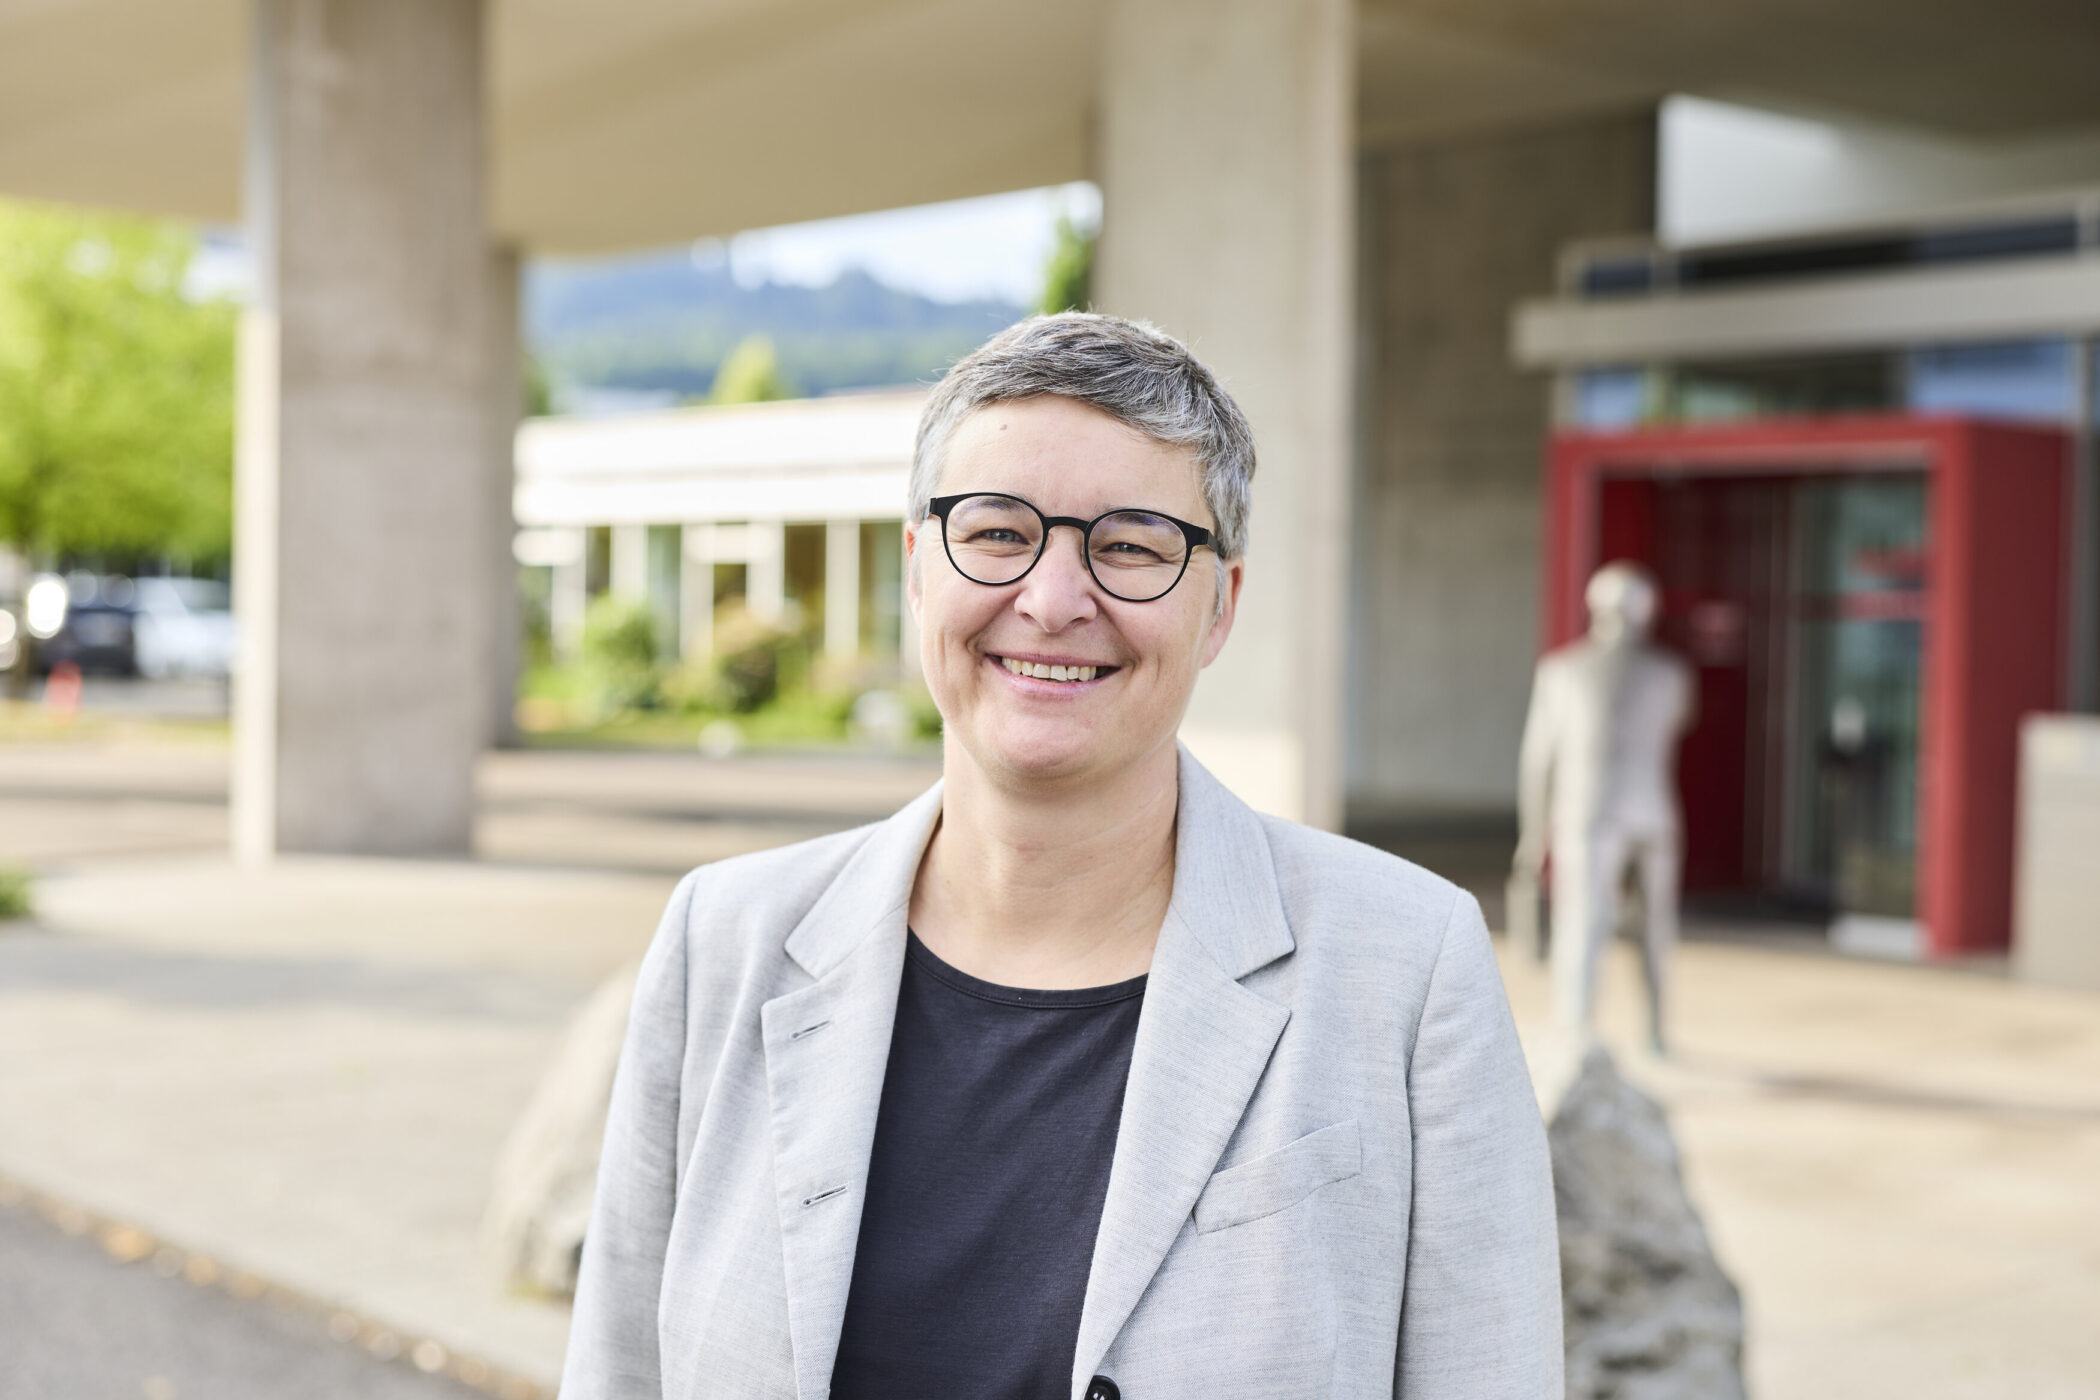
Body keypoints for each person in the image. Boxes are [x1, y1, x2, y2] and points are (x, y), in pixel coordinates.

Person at [561, 314, 1561, 1400]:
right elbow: (618, 1368)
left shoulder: (1405, 966)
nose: (1050, 599)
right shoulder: (725, 941)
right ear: (917, 566)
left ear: (1221, 603)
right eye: (997, 532)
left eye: (1129, 544)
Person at [1514, 561, 1695, 1055]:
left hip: (1587, 815)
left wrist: (1533, 837)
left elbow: (1537, 765)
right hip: (1653, 816)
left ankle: (1576, 1031)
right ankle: (1655, 1034)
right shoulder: (1670, 675)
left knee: (1584, 924)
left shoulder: (1562, 671)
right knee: (1654, 930)